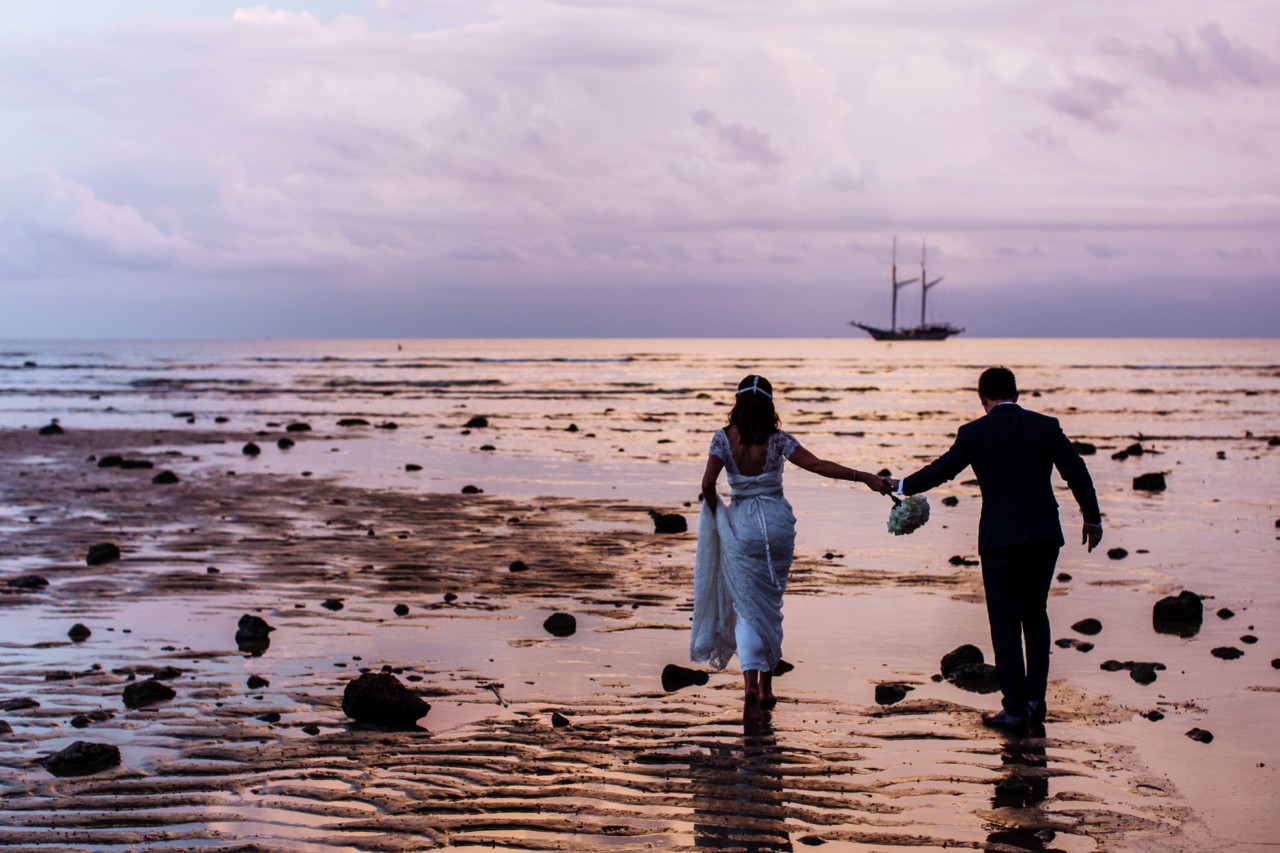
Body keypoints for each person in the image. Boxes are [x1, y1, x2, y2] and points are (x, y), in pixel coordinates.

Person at [881, 367, 1102, 735]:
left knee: (1004, 620)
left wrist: (900, 484)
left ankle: (1013, 708)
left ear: (981, 398)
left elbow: (944, 470)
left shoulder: (975, 432)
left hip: (1001, 538)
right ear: (1016, 394)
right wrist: (1092, 519)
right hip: (1044, 535)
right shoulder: (1046, 426)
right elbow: (1076, 472)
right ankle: (1035, 701)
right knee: (1036, 614)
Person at [692, 374, 885, 722]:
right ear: (769, 405)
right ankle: (767, 687)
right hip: (778, 526)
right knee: (771, 603)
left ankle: (750, 684)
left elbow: (708, 485)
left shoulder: (723, 439)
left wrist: (716, 513)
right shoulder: (779, 439)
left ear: (738, 403)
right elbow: (816, 465)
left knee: (748, 605)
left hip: (742, 528)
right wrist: (864, 476)